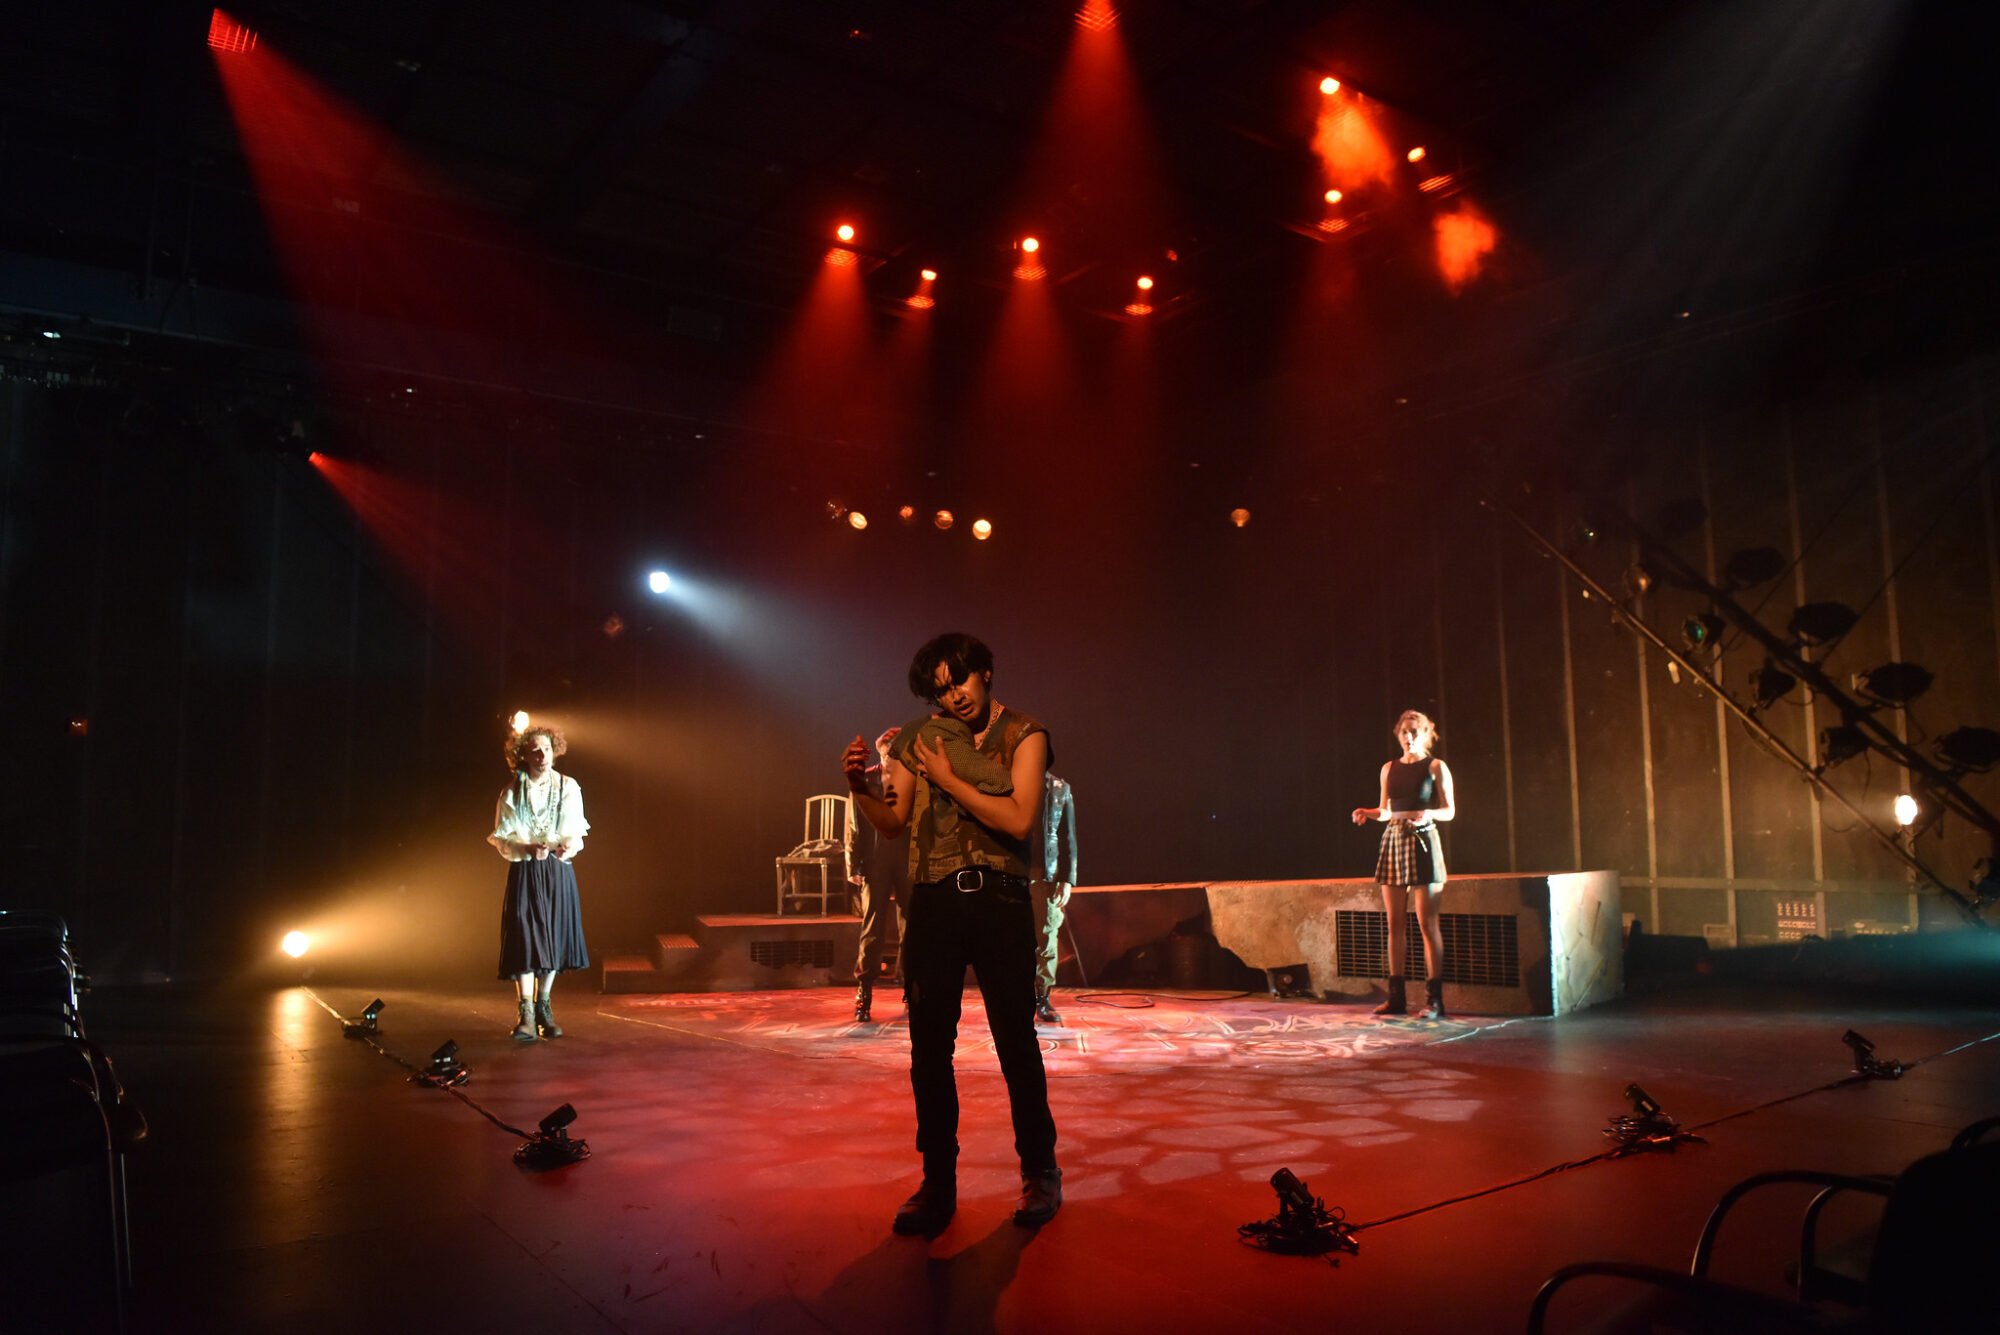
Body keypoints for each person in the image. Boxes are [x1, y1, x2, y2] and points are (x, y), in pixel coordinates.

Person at [842, 632, 1062, 1236]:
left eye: (958, 680)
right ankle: (938, 1182)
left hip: (1000, 900)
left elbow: (1018, 816)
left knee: (1016, 1043)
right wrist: (861, 786)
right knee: (928, 1051)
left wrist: (949, 776)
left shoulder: (1026, 734)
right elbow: (892, 822)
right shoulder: (918, 739)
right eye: (939, 689)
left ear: (985, 672)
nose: (952, 696)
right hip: (935, 902)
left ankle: (1041, 1172)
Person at [1350, 710, 1456, 1020]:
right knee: (1395, 924)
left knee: (1426, 923)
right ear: (1398, 735)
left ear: (1424, 734)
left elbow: (1449, 811)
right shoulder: (1388, 769)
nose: (1408, 737)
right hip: (1394, 839)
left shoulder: (1436, 766)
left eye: (1413, 731)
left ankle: (1434, 1000)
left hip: (1423, 840)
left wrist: (1429, 814)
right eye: (1403, 733)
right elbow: (1385, 810)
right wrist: (1367, 813)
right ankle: (1396, 998)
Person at [489, 725, 590, 1042]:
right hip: (526, 870)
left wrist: (566, 846)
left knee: (552, 937)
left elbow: (576, 829)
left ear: (554, 750)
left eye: (546, 749)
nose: (542, 755)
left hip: (557, 870)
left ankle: (544, 1007)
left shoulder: (568, 787)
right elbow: (503, 838)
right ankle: (526, 1013)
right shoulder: (511, 792)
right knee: (525, 936)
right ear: (524, 755)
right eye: (535, 750)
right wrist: (528, 848)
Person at [852, 726, 910, 1023]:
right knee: (872, 924)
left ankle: (911, 989)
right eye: (889, 754)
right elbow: (855, 825)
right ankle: (864, 990)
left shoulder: (913, 777)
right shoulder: (866, 778)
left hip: (907, 861)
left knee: (911, 926)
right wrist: (854, 866)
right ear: (881, 752)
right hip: (876, 860)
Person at [1031, 773, 1079, 1025]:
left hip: (1045, 873)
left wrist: (1067, 879)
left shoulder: (1060, 788)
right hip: (1012, 868)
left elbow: (1068, 836)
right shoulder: (1009, 779)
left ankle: (1042, 998)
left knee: (1046, 935)